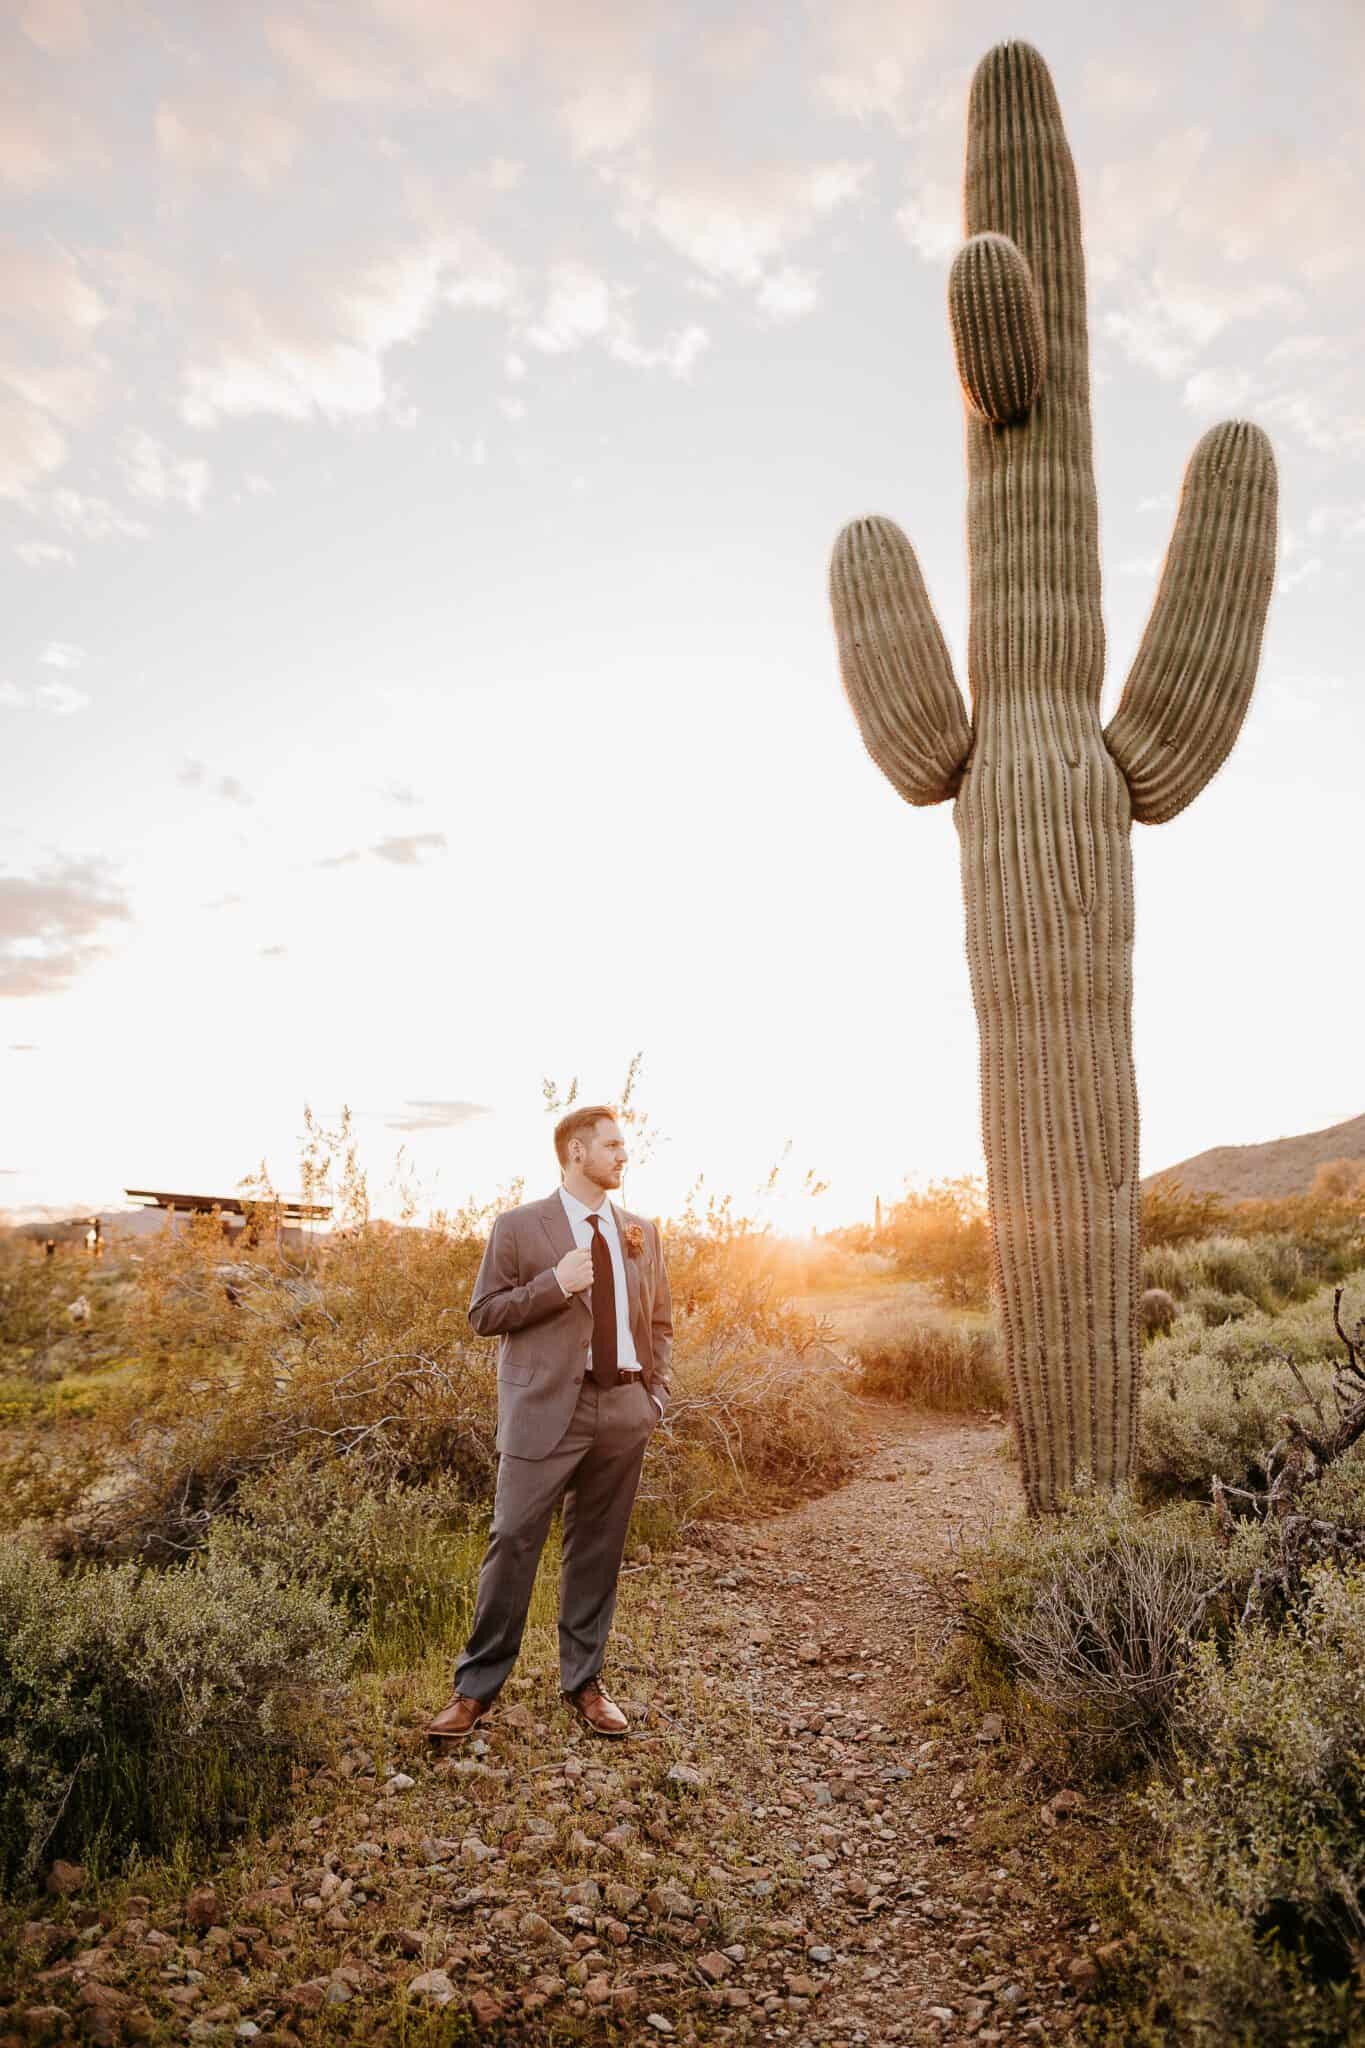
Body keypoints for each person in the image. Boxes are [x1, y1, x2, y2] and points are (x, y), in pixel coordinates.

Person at [426, 1105, 673, 1743]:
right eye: (612, 1146)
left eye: (624, 1146)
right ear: (574, 1153)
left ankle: (583, 1682)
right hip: (543, 1413)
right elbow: (484, 1314)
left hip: (622, 1411)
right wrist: (555, 1284)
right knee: (511, 1542)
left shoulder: (641, 1230)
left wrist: (654, 1397)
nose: (624, 1156)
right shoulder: (518, 1227)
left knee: (597, 1552)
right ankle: (474, 1691)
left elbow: (661, 1323)